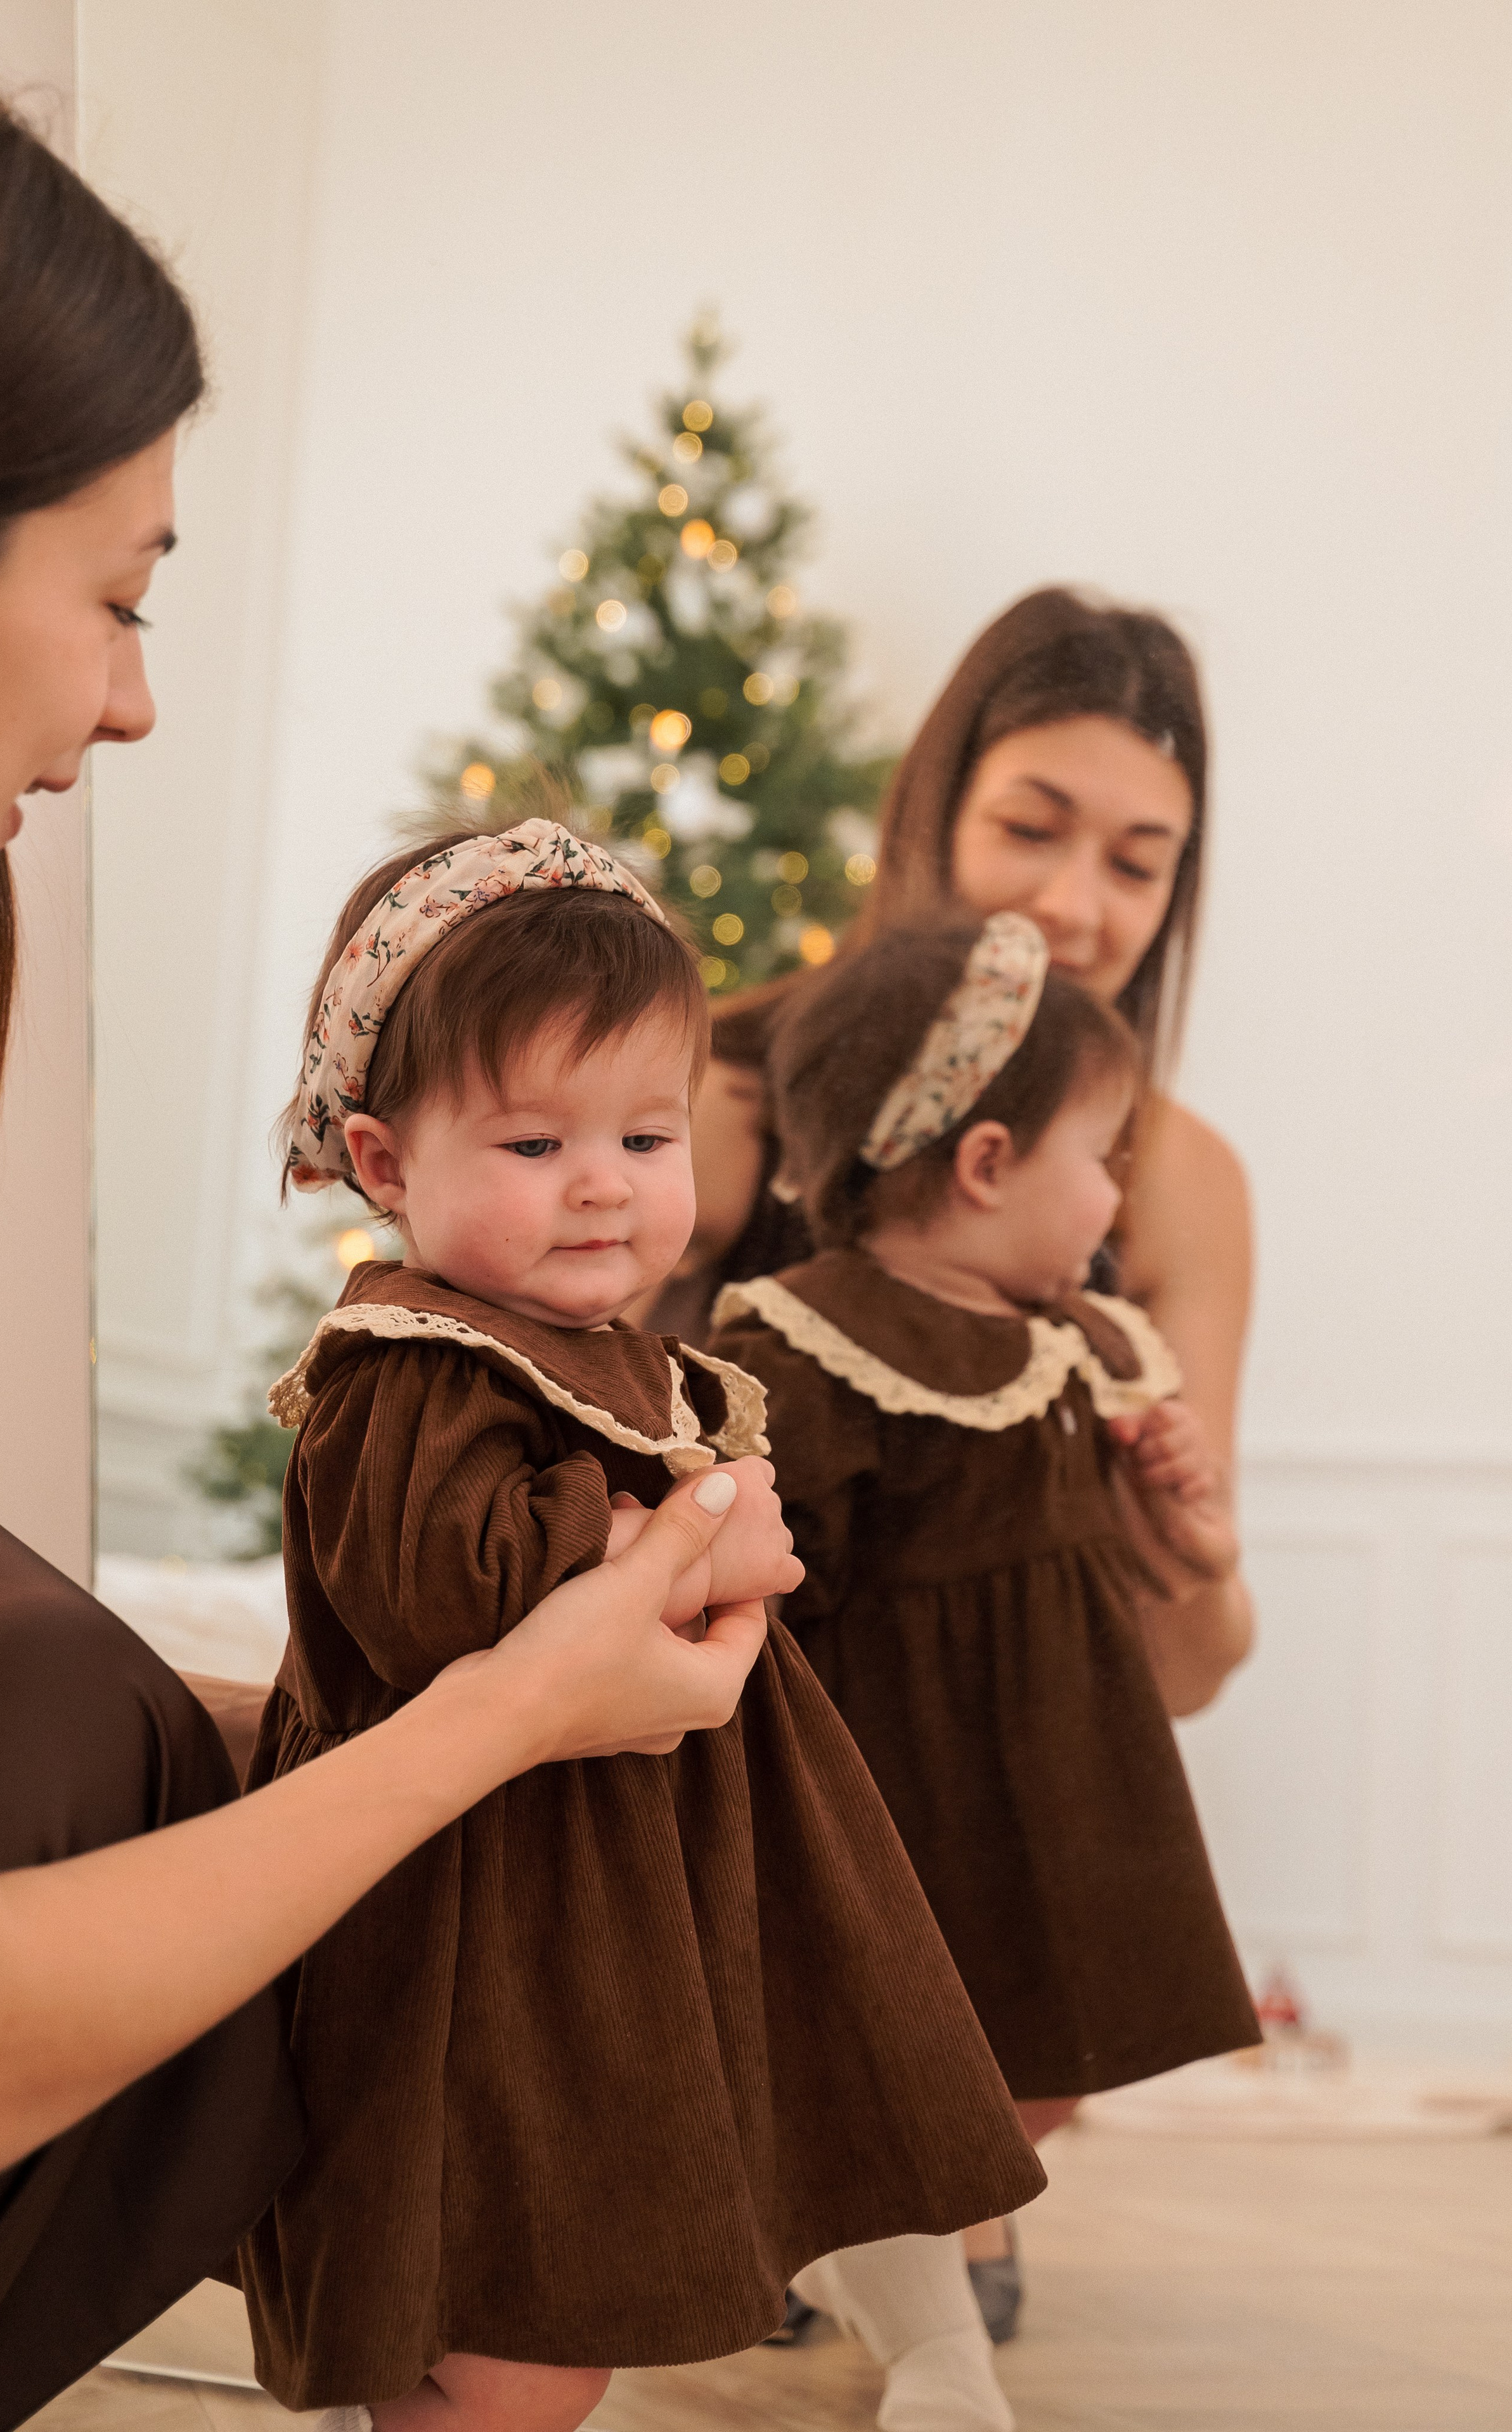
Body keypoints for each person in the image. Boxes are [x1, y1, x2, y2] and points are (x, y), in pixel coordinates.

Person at [0, 56, 766, 2432]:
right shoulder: (410, 1371)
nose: (137, 696)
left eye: (648, 1132)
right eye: (111, 595)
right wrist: (536, 1679)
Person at [238, 819, 1046, 2431]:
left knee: (597, 2264)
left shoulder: (612, 1345)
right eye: (534, 1147)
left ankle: (922, 2343)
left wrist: (721, 1525)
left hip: (614, 1895)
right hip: (482, 1924)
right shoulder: (416, 1359)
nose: (603, 1184)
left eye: (646, 1136)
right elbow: (440, 1590)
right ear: (388, 1165)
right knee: (499, 2300)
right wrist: (671, 1534)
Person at [659, 585, 1258, 2343]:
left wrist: (1183, 1547)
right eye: (1031, 828)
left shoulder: (1170, 1181)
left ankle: (925, 2160)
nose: (1079, 906)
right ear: (930, 814)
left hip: (980, 1779)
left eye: (1141, 861)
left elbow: (1198, 1667)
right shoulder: (720, 1091)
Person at [711, 909, 1260, 2133]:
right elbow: (758, 1581)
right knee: (900, 2064)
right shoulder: (811, 1345)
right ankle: (874, 2246)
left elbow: (1145, 1564)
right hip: (913, 1794)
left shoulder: (1084, 1345)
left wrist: (1171, 1500)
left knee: (1056, 2058)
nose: (1117, 1198)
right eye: (1103, 1160)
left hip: (1065, 1789)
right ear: (988, 1166)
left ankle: (913, 2249)